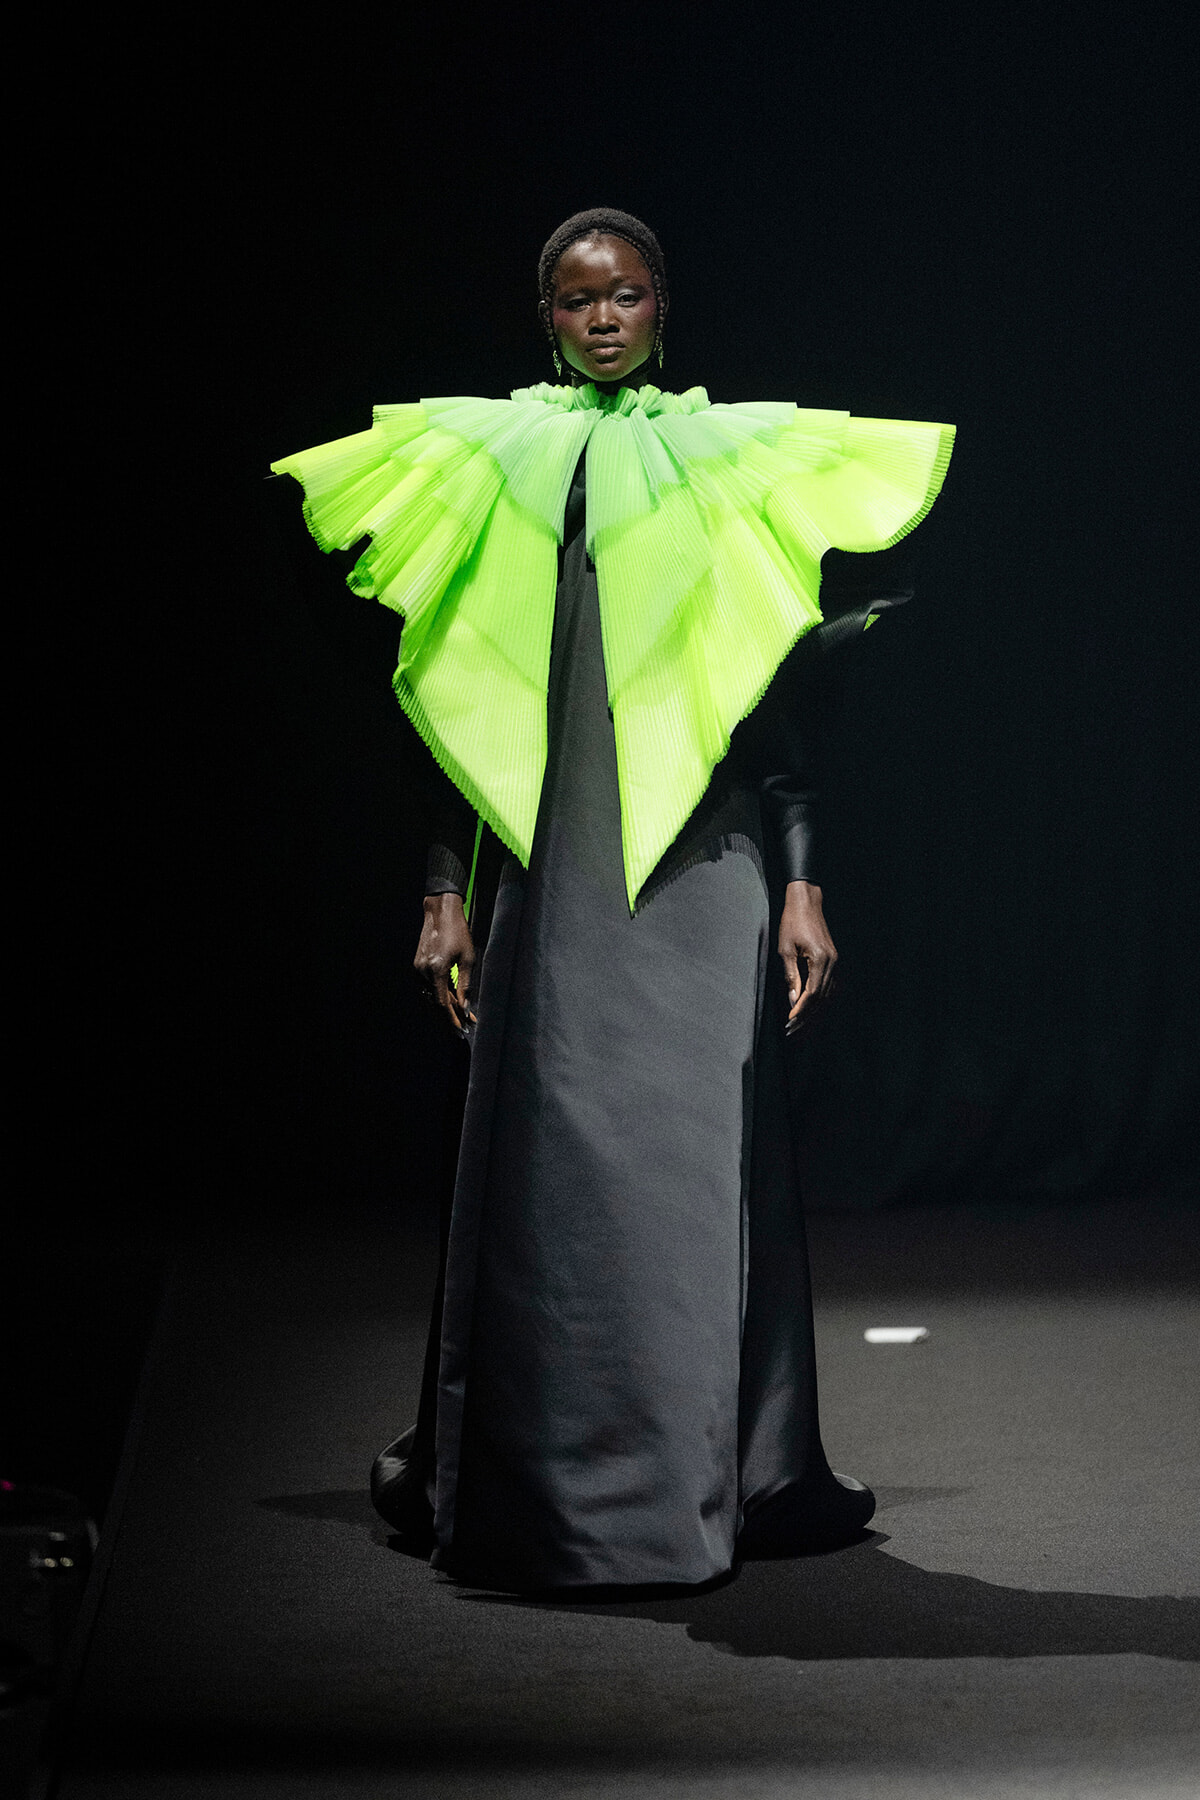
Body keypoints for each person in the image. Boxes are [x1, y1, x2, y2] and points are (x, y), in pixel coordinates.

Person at [271, 208, 954, 1593]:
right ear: (546, 315)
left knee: (699, 1173)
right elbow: (464, 705)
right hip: (556, 869)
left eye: (627, 296)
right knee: (549, 1180)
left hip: (706, 880)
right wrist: (443, 891)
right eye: (579, 298)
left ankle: (729, 1470)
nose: (602, 319)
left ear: (661, 309)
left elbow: (774, 710)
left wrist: (805, 884)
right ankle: (537, 1480)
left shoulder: (719, 461)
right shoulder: (491, 465)